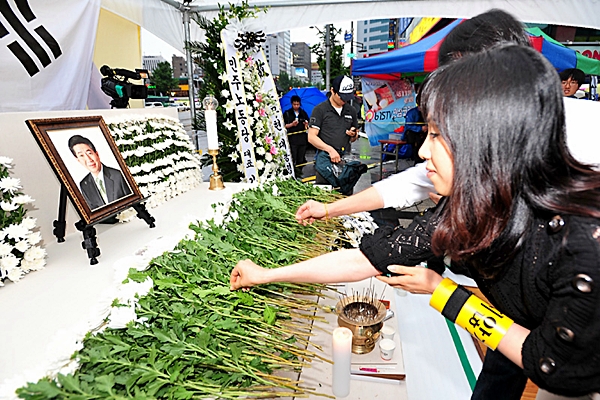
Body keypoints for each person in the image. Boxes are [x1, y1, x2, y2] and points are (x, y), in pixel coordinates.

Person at [231, 45, 600, 399]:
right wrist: (265, 274)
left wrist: (445, 293)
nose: (422, 151)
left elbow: (552, 364)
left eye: (437, 135)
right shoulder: (469, 204)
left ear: (487, 142)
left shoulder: (580, 243)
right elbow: (365, 258)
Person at [308, 75, 359, 185]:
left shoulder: (351, 111)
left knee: (346, 195)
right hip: (325, 159)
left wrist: (353, 134)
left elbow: (354, 138)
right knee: (326, 195)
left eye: (347, 97)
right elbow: (311, 137)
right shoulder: (320, 110)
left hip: (345, 158)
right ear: (332, 91)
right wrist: (330, 150)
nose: (344, 101)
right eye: (342, 97)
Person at [68, 135, 131, 210]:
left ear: (97, 154)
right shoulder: (84, 185)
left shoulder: (118, 175)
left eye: (89, 153)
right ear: (78, 160)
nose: (88, 159)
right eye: (81, 155)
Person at [282, 95, 310, 167]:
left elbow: (308, 126)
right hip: (292, 139)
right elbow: (283, 126)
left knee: (301, 159)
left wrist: (306, 125)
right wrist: (292, 124)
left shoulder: (303, 113)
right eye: (294, 104)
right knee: (293, 157)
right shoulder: (287, 113)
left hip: (302, 139)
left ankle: (300, 172)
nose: (296, 106)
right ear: (292, 104)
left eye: (298, 104)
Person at [403, 85, 428, 163]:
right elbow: (408, 126)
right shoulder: (411, 113)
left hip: (424, 132)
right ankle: (417, 159)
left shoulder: (426, 112)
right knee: (416, 140)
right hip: (412, 134)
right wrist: (420, 129)